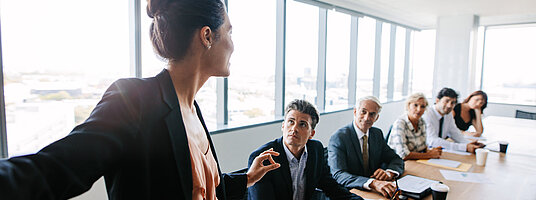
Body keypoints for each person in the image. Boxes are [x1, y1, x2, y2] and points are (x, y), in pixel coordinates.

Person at [0, 0, 280, 199]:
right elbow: (55, 168)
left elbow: (199, 187)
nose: (233, 43)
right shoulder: (134, 100)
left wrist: (247, 177)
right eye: (229, 31)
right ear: (207, 36)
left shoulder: (193, 109)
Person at [248, 99, 362, 200]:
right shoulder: (263, 158)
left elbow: (332, 187)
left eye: (302, 125)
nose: (294, 129)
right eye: (291, 121)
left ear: (311, 134)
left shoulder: (315, 150)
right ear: (283, 126)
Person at [328, 96, 404, 198]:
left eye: (372, 114)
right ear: (355, 112)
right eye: (363, 112)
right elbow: (339, 174)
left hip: (375, 192)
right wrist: (373, 183)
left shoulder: (376, 134)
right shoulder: (339, 137)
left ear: (376, 118)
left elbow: (396, 159)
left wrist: (389, 173)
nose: (367, 118)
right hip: (351, 193)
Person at [422, 88, 485, 153]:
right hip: (424, 152)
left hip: (438, 152)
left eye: (452, 103)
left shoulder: (448, 114)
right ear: (437, 101)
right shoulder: (427, 114)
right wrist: (465, 147)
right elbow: (432, 141)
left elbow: (455, 133)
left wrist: (469, 143)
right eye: (446, 101)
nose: (449, 105)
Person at [388, 93, 443, 160]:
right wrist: (429, 155)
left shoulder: (421, 122)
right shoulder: (400, 123)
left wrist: (431, 151)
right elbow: (403, 154)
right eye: (415, 105)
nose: (419, 109)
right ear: (408, 106)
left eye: (422, 106)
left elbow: (421, 148)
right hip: (399, 162)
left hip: (414, 161)